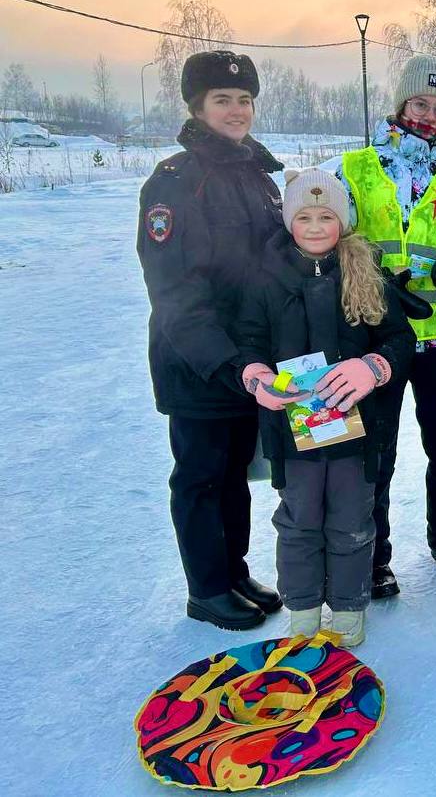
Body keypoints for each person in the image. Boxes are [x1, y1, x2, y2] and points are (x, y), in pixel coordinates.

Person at [136, 51, 284, 631]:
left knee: (236, 475)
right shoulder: (175, 183)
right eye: (223, 99)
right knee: (200, 475)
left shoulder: (257, 177)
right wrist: (225, 361)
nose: (236, 110)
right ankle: (206, 588)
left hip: (248, 360)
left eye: (244, 99)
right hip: (198, 363)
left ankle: (234, 570)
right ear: (197, 106)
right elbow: (174, 291)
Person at [236, 169, 414, 646]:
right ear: (289, 221)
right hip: (293, 434)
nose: (316, 227)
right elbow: (248, 340)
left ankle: (350, 608)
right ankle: (303, 609)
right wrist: (257, 377)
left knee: (353, 519)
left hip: (357, 434)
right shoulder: (264, 275)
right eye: (305, 217)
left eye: (327, 217)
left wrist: (372, 368)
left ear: (344, 221)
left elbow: (400, 337)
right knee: (298, 521)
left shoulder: (366, 269)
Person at [330, 54, 436, 597]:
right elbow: (329, 235)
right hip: (377, 334)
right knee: (377, 452)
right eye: (421, 103)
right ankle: (374, 557)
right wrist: (369, 275)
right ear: (401, 104)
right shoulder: (357, 168)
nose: (431, 115)